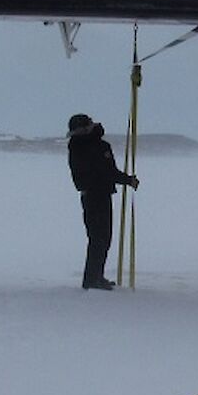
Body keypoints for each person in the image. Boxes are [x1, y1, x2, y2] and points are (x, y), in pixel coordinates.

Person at [66, 113, 138, 290]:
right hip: (93, 195)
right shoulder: (85, 146)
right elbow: (106, 171)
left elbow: (107, 171)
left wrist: (124, 179)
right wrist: (128, 180)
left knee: (102, 238)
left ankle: (96, 276)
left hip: (99, 194)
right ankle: (92, 279)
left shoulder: (95, 145)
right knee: (99, 238)